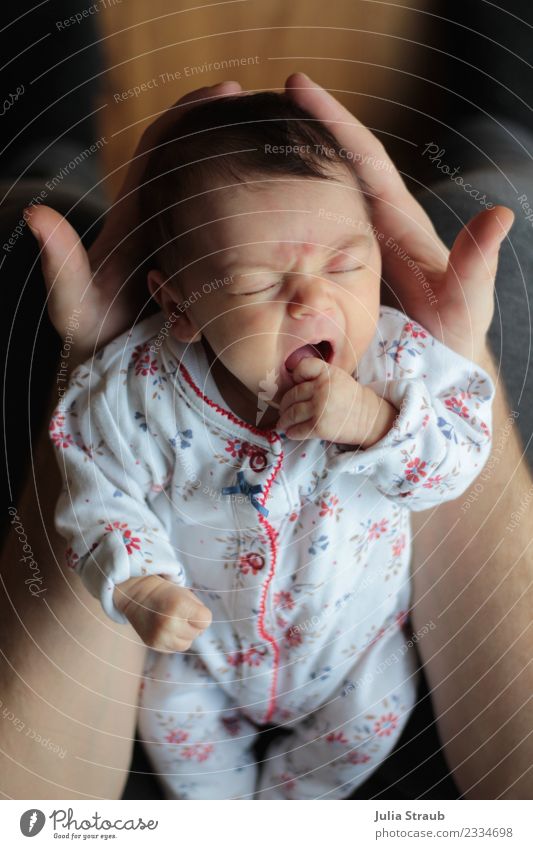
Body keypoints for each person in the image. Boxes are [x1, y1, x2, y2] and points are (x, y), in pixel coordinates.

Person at [1, 73, 530, 800]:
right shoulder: (141, 388)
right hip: (200, 659)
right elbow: (97, 489)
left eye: (346, 265)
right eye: (256, 282)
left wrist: (373, 423)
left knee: (371, 722)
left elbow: (455, 462)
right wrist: (138, 585)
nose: (314, 296)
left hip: (358, 655)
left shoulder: (394, 365)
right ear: (178, 303)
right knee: (176, 728)